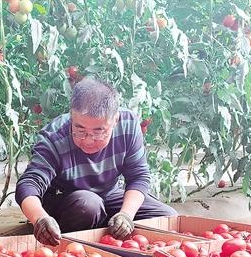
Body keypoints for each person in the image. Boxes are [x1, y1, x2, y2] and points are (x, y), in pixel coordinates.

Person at [15, 76, 177, 246]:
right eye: (79, 129)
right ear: (72, 117)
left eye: (98, 131)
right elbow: (29, 184)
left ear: (115, 120)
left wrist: (126, 215)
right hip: (70, 205)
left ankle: (107, 232)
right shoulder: (54, 137)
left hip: (108, 195)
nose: (88, 140)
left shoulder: (128, 124)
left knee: (166, 218)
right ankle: (71, 241)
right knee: (88, 205)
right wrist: (40, 218)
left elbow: (139, 176)